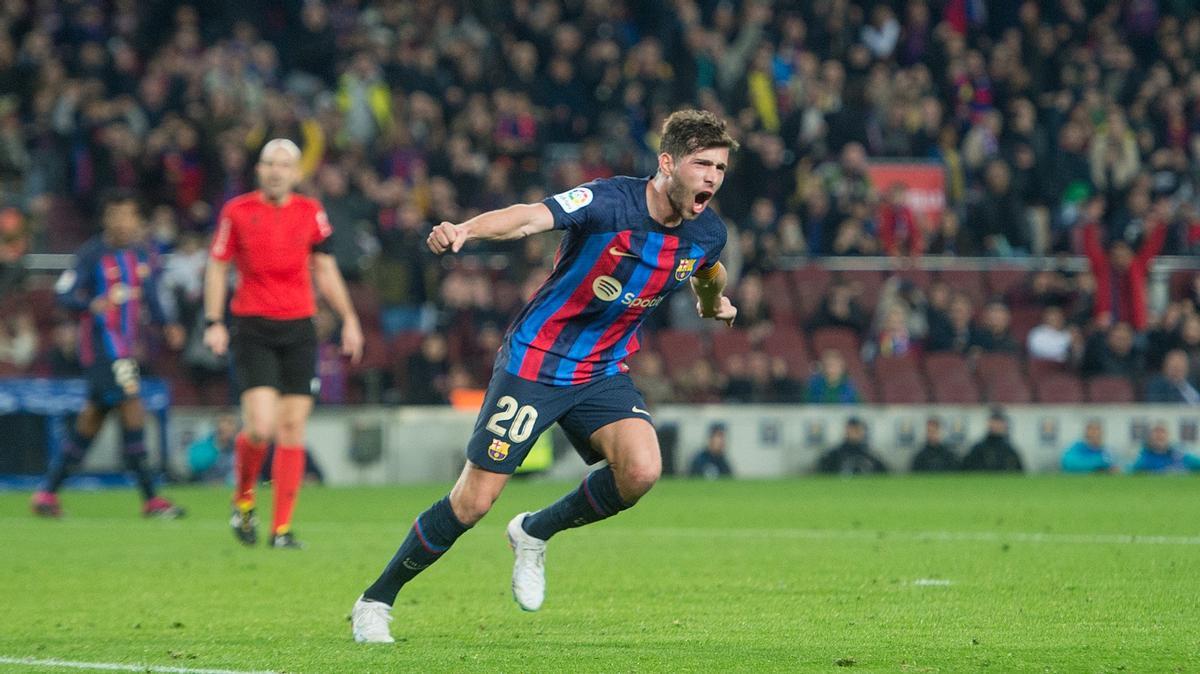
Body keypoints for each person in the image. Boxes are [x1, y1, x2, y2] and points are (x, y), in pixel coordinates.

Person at [350, 109, 740, 643]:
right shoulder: (609, 202)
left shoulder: (708, 232)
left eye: (719, 167)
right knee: (472, 503)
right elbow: (530, 216)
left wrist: (714, 303)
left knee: (642, 469)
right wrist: (466, 230)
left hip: (601, 369)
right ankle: (376, 600)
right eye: (702, 164)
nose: (712, 178)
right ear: (667, 163)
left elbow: (707, 269)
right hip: (536, 361)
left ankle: (534, 532)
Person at [202, 139, 364, 549]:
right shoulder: (236, 211)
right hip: (253, 326)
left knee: (292, 428)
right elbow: (218, 269)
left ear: (296, 174)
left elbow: (325, 270)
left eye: (284, 164)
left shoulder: (310, 212)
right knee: (260, 427)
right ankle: (243, 499)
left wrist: (348, 318)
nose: (276, 171)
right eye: (269, 163)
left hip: (299, 329)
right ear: (259, 170)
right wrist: (214, 321)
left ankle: (281, 530)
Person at [31, 190, 186, 518]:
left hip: (125, 349)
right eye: (117, 215)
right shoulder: (91, 255)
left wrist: (167, 324)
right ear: (106, 219)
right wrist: (91, 304)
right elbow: (63, 294)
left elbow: (152, 297)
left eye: (129, 215)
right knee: (132, 406)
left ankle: (46, 494)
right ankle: (151, 498)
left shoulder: (142, 255)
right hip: (102, 349)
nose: (124, 222)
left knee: (91, 419)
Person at [815, 417, 888, 475]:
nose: (855, 433)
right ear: (846, 431)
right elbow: (821, 472)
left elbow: (884, 473)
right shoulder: (835, 454)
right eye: (852, 429)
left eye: (857, 430)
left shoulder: (869, 454)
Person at [1128, 422, 1200, 473]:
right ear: (1150, 436)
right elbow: (1130, 471)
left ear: (1168, 435)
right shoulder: (1144, 457)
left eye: (1162, 431)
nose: (1159, 435)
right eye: (1156, 432)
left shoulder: (1177, 454)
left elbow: (1196, 463)